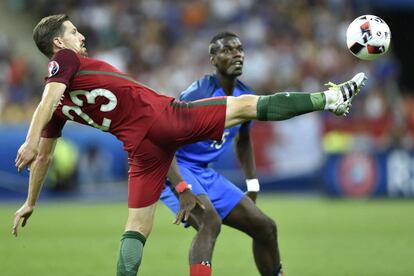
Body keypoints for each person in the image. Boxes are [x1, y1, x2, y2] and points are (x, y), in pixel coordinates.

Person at [11, 14, 366, 276]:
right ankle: (329, 99)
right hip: (164, 119)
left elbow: (45, 154)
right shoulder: (65, 61)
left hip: (140, 148)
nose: (81, 35)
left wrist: (30, 201)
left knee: (136, 228)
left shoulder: (60, 107)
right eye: (73, 32)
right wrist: (28, 140)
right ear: (58, 44)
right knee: (246, 106)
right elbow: (46, 103)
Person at [160, 31, 282, 276]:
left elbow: (244, 141)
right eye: (227, 50)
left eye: (239, 49)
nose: (237, 54)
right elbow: (165, 142)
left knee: (266, 227)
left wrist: (253, 182)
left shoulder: (245, 97)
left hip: (204, 173)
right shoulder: (197, 95)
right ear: (213, 60)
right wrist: (181, 186)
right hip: (173, 166)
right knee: (209, 222)